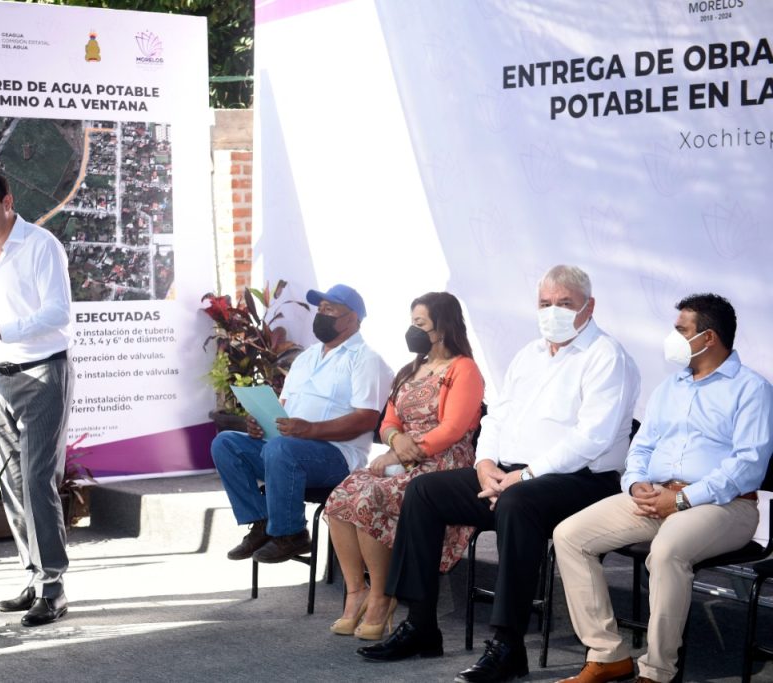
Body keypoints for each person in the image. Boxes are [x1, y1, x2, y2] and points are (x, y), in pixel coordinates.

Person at [357, 265, 641, 683]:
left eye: (565, 303)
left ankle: (508, 645)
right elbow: (496, 419)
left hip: (581, 481)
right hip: (509, 475)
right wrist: (485, 465)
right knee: (424, 491)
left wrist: (526, 475)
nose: (553, 311)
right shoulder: (529, 355)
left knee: (517, 502)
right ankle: (420, 625)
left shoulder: (607, 356)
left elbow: (592, 438)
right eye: (545, 303)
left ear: (589, 307)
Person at [553, 293, 773, 683]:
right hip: (658, 496)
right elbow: (642, 447)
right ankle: (607, 654)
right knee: (570, 535)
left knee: (668, 551)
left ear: (708, 338)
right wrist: (636, 483)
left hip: (725, 505)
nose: (672, 338)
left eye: (681, 330)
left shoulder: (752, 389)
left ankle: (657, 671)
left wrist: (683, 499)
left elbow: (747, 466)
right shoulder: (671, 386)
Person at [324, 292, 484, 641]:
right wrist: (395, 440)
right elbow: (388, 421)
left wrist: (400, 454)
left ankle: (383, 597)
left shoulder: (464, 369)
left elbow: (452, 429)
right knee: (340, 498)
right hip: (400, 458)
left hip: (443, 462)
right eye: (412, 322)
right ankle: (357, 591)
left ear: (443, 327)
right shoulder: (410, 370)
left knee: (369, 499)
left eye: (420, 323)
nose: (413, 330)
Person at [0, 170, 75, 627]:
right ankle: (34, 577)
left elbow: (58, 313)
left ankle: (54, 587)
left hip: (41, 372)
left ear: (8, 202)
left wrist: (3, 330)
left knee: (38, 481)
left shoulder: (41, 245)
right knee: (12, 482)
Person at [211, 284, 395, 564]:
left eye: (329, 309)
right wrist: (260, 423)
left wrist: (309, 430)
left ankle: (292, 534)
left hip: (337, 457)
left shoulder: (366, 360)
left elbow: (366, 419)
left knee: (282, 449)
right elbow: (283, 408)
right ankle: (262, 522)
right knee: (225, 443)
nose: (321, 314)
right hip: (285, 452)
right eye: (320, 308)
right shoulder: (306, 358)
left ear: (352, 318)